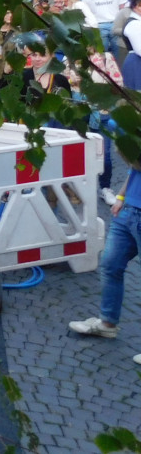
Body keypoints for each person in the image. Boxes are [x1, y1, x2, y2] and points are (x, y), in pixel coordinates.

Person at [68, 157, 141, 367]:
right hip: (128, 210)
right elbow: (134, 166)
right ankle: (107, 323)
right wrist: (120, 196)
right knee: (110, 265)